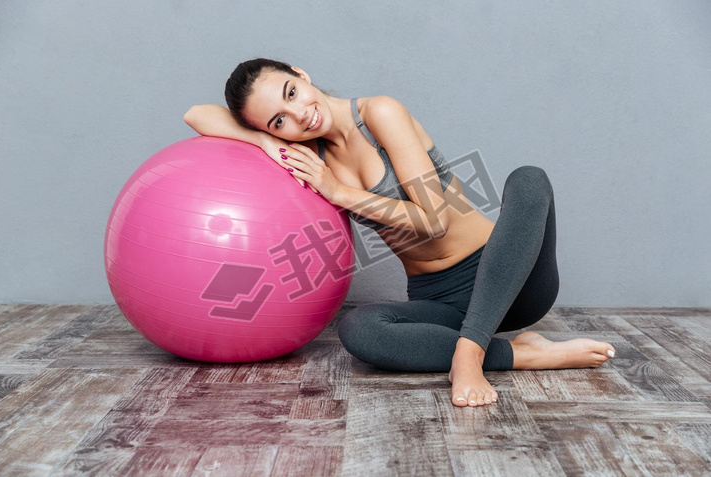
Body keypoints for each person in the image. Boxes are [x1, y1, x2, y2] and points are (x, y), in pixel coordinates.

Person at [184, 57, 617, 408]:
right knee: (358, 330)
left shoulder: (379, 114)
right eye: (278, 121)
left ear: (301, 74)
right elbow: (197, 114)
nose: (298, 114)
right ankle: (520, 354)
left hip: (509, 277)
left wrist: (338, 191)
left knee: (528, 179)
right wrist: (262, 141)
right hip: (438, 299)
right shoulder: (306, 153)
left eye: (291, 93)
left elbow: (433, 220)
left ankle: (469, 353)